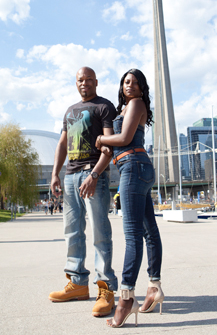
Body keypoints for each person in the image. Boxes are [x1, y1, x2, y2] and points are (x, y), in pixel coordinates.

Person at [96, 69, 164, 327]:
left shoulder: (136, 104)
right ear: (121, 85)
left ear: (142, 87)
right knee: (149, 232)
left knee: (133, 235)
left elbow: (123, 138)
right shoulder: (124, 109)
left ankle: (126, 298)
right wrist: (107, 144)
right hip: (136, 166)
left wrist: (102, 138)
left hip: (133, 167)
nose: (131, 86)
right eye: (127, 82)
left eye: (136, 82)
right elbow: (121, 140)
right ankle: (154, 286)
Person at [49, 66, 118, 318]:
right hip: (70, 177)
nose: (84, 83)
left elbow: (108, 147)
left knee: (100, 233)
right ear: (75, 83)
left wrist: (95, 175)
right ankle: (77, 284)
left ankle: (106, 289)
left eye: (89, 79)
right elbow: (62, 144)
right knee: (72, 231)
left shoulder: (104, 107)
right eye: (80, 80)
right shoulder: (70, 111)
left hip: (93, 176)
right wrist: (56, 173)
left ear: (96, 82)